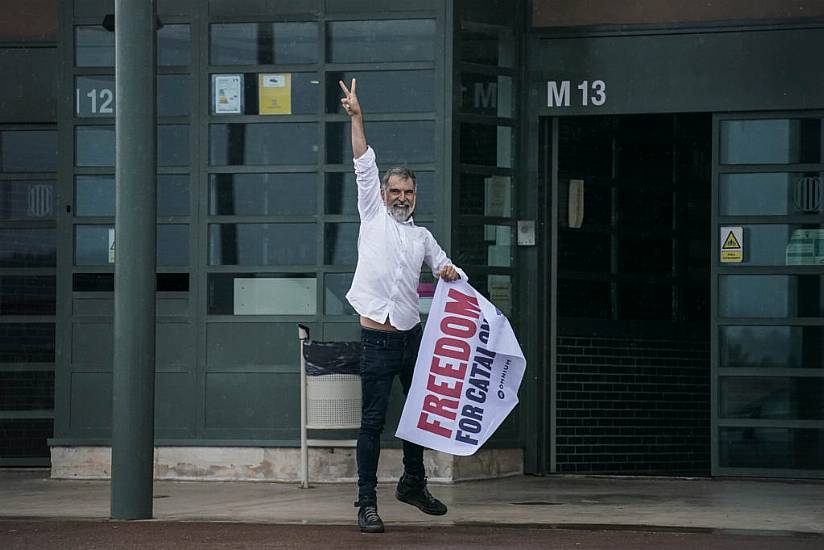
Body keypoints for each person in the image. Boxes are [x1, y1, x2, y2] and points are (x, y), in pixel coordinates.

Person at [339, 79, 466, 534]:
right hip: (377, 338)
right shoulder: (371, 214)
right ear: (384, 193)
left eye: (408, 192)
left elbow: (445, 267)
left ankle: (413, 483)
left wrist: (449, 273)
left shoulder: (421, 236)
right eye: (395, 191)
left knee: (416, 419)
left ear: (415, 195)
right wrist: (357, 116)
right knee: (372, 423)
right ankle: (366, 503)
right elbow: (363, 162)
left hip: (411, 338)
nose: (401, 197)